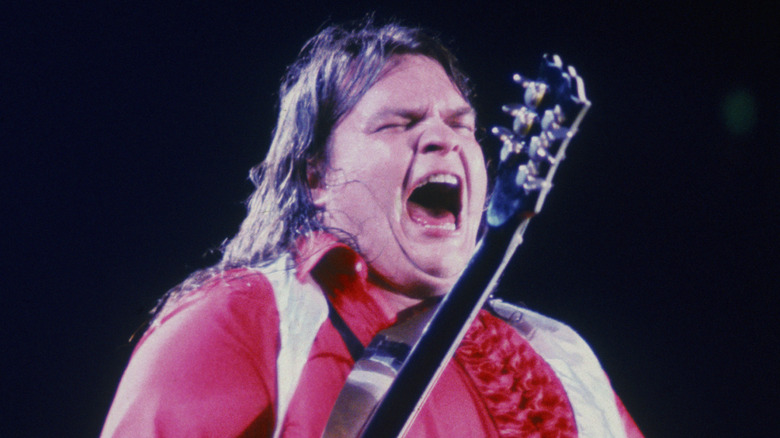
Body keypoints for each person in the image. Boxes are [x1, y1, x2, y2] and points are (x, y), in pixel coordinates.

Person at [101, 19, 642, 437]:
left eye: (461, 125)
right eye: (397, 123)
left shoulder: (559, 357)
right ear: (316, 175)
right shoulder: (242, 319)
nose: (442, 139)